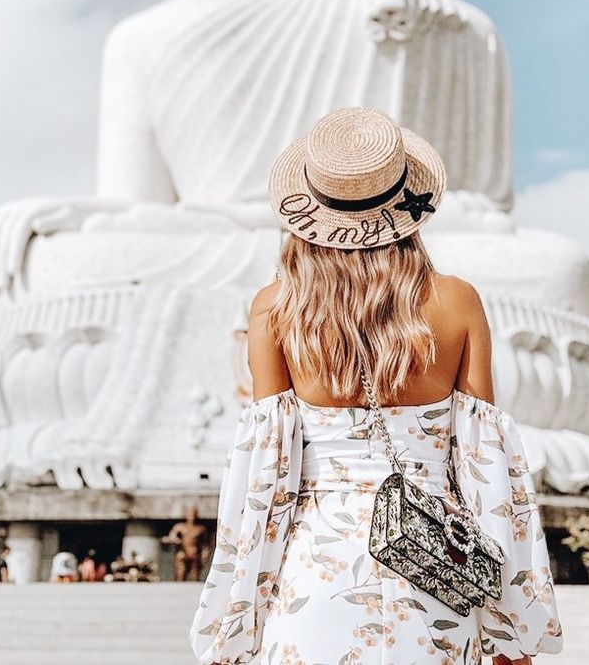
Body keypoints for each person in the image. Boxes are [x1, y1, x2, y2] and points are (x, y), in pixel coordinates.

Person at [189, 107, 563, 664]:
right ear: (409, 205)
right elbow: (488, 471)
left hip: (316, 567)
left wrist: (239, 613)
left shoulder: (275, 308)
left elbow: (264, 477)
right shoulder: (457, 299)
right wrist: (509, 623)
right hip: (437, 565)